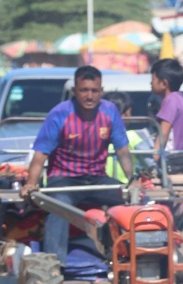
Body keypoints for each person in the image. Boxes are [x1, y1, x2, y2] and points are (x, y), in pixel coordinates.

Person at [21, 65, 134, 264]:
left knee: (129, 202)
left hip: (97, 178)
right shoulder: (60, 114)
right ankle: (54, 263)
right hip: (64, 179)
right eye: (84, 90)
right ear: (75, 91)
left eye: (94, 91)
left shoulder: (109, 111)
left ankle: (128, 257)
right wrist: (31, 183)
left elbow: (123, 152)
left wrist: (132, 181)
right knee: (59, 206)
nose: (89, 96)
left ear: (101, 91)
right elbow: (40, 156)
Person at [150, 58, 183, 152]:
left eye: (153, 79)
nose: (151, 83)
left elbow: (163, 133)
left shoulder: (171, 100)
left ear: (164, 83)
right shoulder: (180, 99)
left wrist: (154, 159)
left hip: (172, 160)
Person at [103, 92, 151, 184]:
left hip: (100, 185)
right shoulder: (134, 136)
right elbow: (150, 163)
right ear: (125, 114)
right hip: (126, 186)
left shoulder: (96, 136)